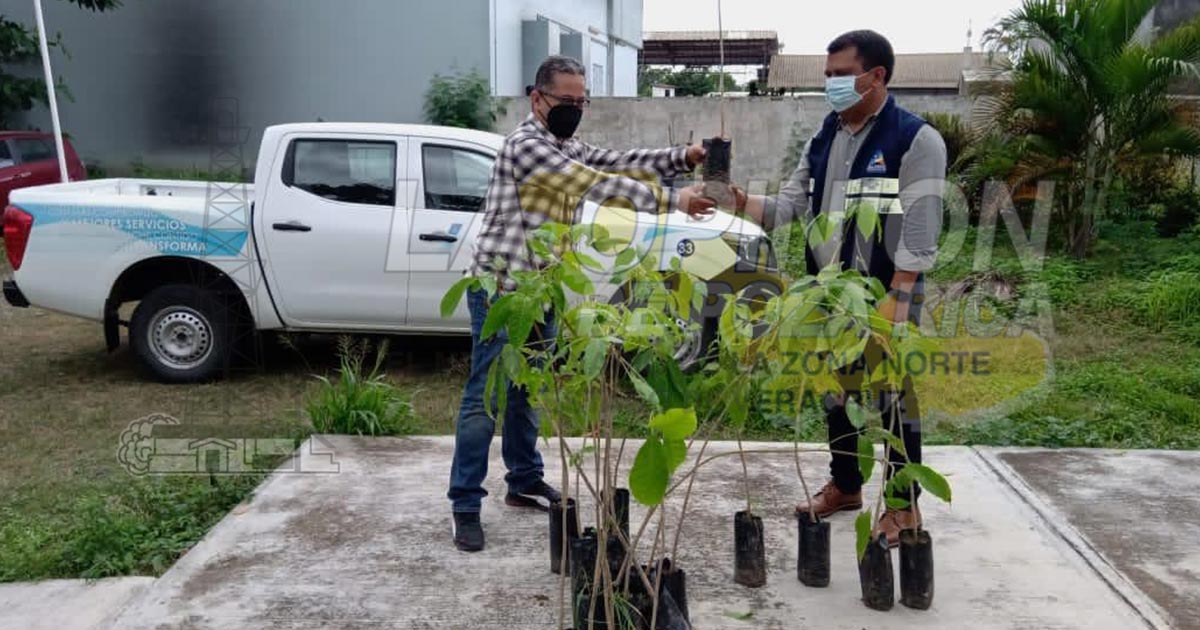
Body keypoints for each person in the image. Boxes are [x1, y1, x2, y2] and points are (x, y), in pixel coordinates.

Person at [448, 55, 716, 552]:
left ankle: (523, 480)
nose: (574, 109)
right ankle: (465, 503)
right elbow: (592, 184)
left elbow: (614, 161)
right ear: (537, 99)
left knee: (527, 391)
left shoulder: (563, 143)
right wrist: (672, 201)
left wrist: (684, 157)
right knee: (483, 399)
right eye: (565, 101)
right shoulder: (528, 146)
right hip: (502, 290)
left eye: (580, 101)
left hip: (542, 289)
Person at [722, 30, 945, 547]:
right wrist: (740, 201)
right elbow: (790, 205)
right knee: (836, 393)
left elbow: (920, 229)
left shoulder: (914, 140)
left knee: (893, 400)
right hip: (829, 296)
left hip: (884, 295)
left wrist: (900, 297)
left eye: (841, 74)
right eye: (827, 76)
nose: (832, 85)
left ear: (877, 76)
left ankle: (902, 505)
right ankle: (846, 486)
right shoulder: (826, 135)